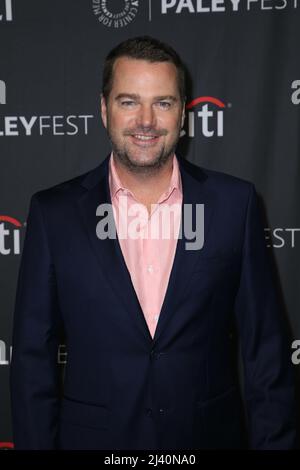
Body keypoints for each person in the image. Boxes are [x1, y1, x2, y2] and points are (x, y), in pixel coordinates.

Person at [10, 36, 296, 450]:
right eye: (129, 102)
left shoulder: (235, 205)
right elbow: (33, 361)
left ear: (182, 113)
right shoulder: (54, 213)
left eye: (162, 102)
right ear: (104, 109)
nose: (146, 120)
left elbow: (265, 351)